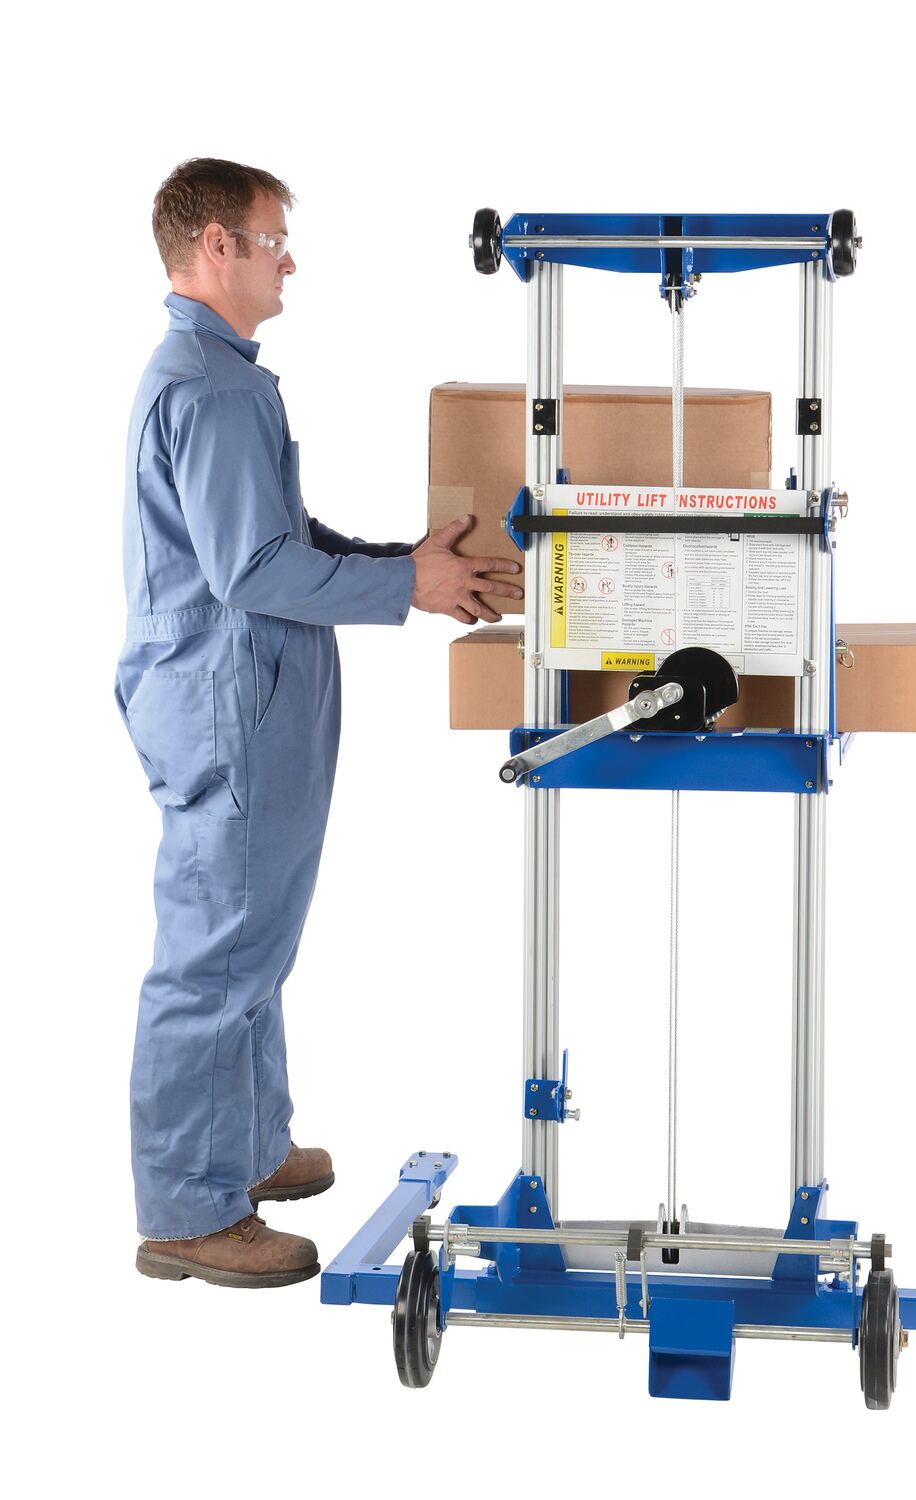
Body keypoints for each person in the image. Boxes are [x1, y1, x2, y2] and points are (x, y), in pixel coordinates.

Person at [116, 158, 521, 1288]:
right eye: (272, 238)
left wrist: (404, 562)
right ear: (216, 246)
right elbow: (251, 570)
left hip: (235, 693)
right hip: (228, 702)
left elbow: (276, 534)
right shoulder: (213, 388)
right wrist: (407, 587)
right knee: (218, 950)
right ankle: (188, 1209)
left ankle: (243, 1145)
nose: (288, 260)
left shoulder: (219, 376)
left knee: (254, 934)